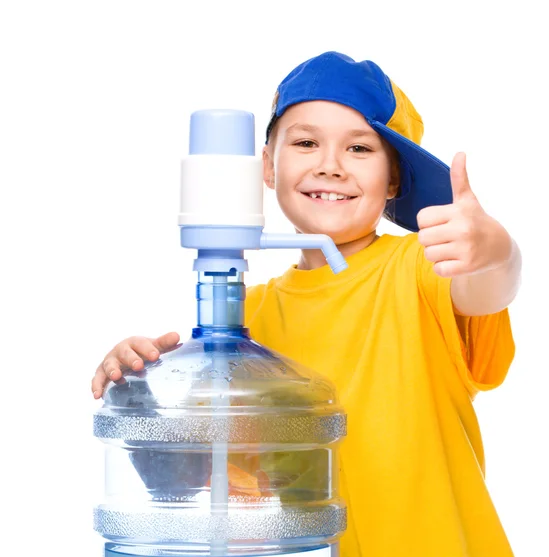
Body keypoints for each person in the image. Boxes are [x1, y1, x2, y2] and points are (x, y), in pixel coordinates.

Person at [91, 51, 521, 557]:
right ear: (268, 167)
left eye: (359, 148)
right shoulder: (245, 318)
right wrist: (139, 395)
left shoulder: (418, 269)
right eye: (306, 142)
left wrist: (494, 252)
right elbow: (192, 484)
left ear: (395, 181)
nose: (330, 166)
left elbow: (486, 288)